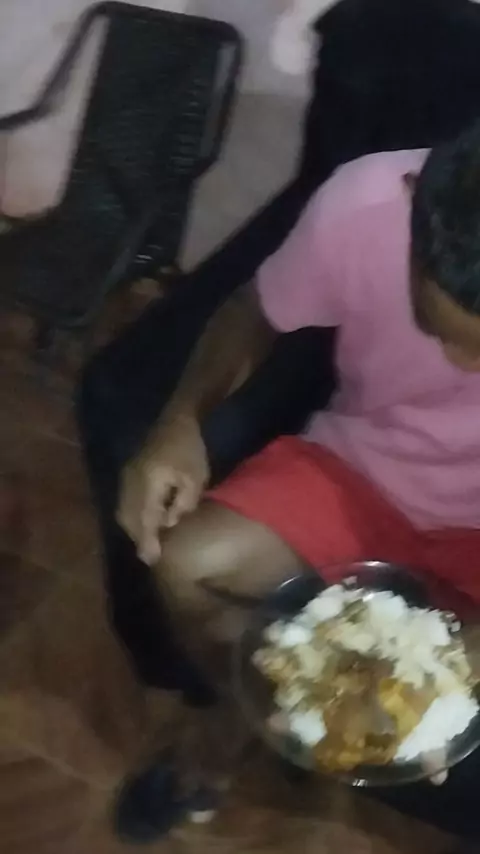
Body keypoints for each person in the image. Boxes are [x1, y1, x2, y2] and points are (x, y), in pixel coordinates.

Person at [92, 123, 480, 850]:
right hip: (364, 465)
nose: (462, 368)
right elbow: (256, 308)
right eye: (441, 331)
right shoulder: (367, 204)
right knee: (188, 565)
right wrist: (181, 419)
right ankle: (235, 725)